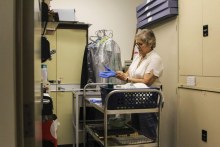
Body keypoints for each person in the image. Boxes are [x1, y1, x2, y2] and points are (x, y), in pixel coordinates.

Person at [116, 29, 163, 141]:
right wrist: (121, 74)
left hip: (148, 100)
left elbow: (147, 81)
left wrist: (126, 78)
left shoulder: (155, 59)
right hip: (136, 99)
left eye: (140, 44)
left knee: (147, 134)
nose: (138, 47)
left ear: (150, 43)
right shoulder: (138, 57)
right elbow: (128, 73)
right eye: (137, 44)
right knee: (136, 133)